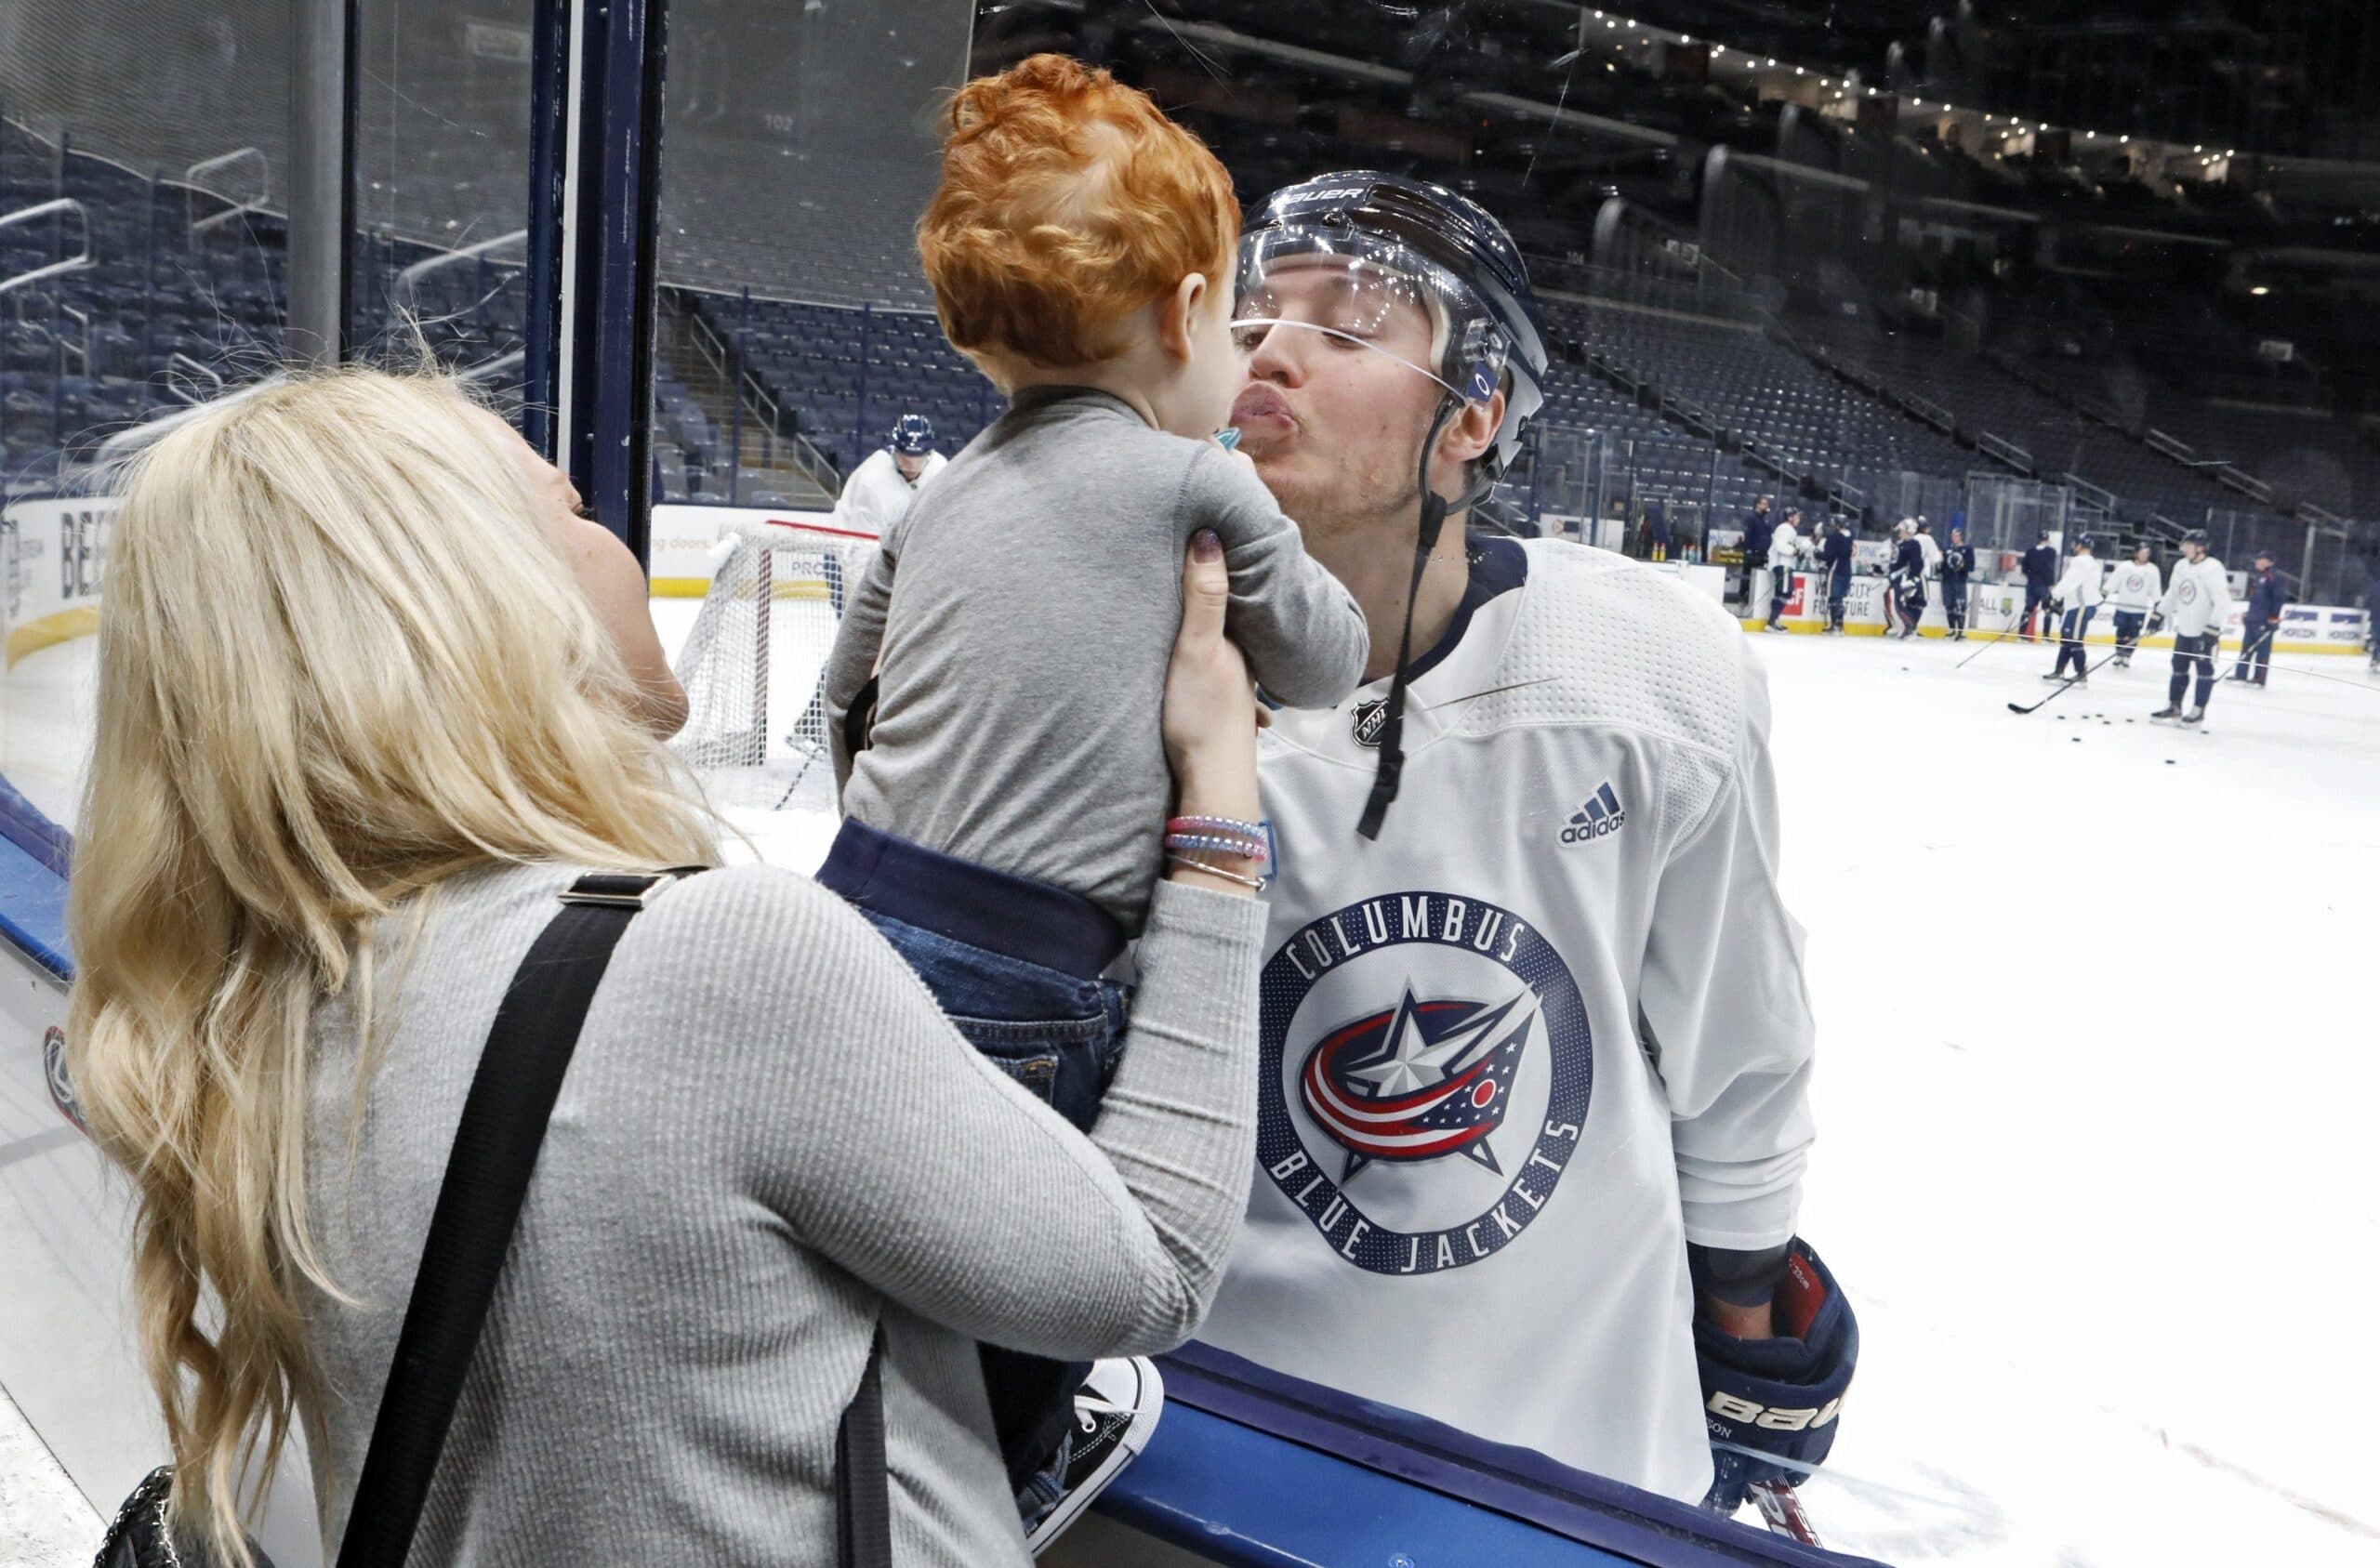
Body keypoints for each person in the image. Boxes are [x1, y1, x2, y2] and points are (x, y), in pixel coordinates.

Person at [60, 366, 1274, 1568]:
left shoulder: (270, 1007)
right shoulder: (707, 961)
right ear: (481, 595)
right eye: (575, 508)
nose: (614, 540)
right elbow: (1152, 1268)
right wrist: (1217, 808)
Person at [1202, 170, 1857, 1518]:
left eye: (1345, 327)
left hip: (1575, 1473)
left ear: (1474, 414)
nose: (1269, 352)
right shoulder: (1114, 662)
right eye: (1250, 322)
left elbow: (1737, 1054)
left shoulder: (1641, 673)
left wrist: (1741, 1304)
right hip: (1199, 1448)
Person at [822, 55, 1368, 1533]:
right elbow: (1325, 658)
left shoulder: (941, 489)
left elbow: (846, 694)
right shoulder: (1198, 483)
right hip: (1030, 968)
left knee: (873, 1220)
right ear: (1188, 313)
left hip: (852, 912)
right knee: (1030, 1268)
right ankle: (1008, 1469)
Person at [2152, 528, 2232, 727]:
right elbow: (2173, 594)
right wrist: (2158, 614)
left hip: (2204, 632)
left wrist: (2213, 627)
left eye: (2188, 545)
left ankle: (2198, 711)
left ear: (2201, 548)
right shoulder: (2181, 566)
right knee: (2178, 667)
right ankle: (2174, 706)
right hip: (2185, 630)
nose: (2183, 548)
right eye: (2183, 544)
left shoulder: (2213, 568)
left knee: (2204, 669)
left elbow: (2222, 601)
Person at [831, 412, 947, 536]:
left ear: (929, 454)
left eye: (918, 462)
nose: (911, 468)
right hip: (848, 537)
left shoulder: (941, 470)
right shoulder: (872, 479)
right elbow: (863, 539)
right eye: (905, 461)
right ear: (895, 452)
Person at [2044, 534, 2103, 683]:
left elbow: (2069, 582)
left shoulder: (2081, 561)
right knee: (2067, 638)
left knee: (2074, 639)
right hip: (2076, 606)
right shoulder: (2091, 562)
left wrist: (2053, 596)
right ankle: (2059, 670)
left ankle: (2080, 673)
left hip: (2080, 607)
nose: (2073, 546)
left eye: (2074, 543)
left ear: (2080, 545)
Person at [2230, 547, 2286, 687]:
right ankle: (2240, 675)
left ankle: (2259, 679)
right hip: (2253, 620)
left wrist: (2273, 618)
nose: (2257, 562)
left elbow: (2278, 599)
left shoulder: (2275, 577)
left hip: (2264, 621)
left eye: (2260, 559)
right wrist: (2249, 614)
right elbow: (2256, 599)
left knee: (2262, 651)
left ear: (2269, 562)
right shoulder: (2258, 577)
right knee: (2246, 648)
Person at [2105, 542, 2162, 668]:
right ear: (2136, 553)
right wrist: (2104, 593)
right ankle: (2119, 654)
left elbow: (2155, 590)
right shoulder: (2124, 566)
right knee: (2120, 633)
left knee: (2133, 634)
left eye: (2147, 553)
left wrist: (2158, 603)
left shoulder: (2152, 570)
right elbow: (2113, 583)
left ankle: (2127, 656)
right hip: (2122, 607)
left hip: (2139, 610)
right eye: (2142, 552)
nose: (2145, 555)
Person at [1886, 517, 1928, 638]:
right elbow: (1895, 563)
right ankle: (1908, 628)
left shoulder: (1914, 545)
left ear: (1908, 531)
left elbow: (1916, 565)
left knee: (1903, 604)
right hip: (1899, 579)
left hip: (1907, 579)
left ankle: (1910, 628)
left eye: (1902, 530)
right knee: (1898, 604)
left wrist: (1912, 579)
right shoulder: (1900, 544)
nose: (1899, 533)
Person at [1764, 506, 1803, 631]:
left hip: (1786, 565)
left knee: (1784, 592)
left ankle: (1774, 620)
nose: (1799, 519)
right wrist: (1794, 551)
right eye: (1797, 517)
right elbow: (1780, 546)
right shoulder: (1784, 529)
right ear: (1790, 518)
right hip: (1782, 564)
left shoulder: (1790, 530)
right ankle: (1772, 622)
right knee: (1785, 592)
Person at [1741, 494, 1775, 621]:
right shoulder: (1751, 518)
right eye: (1764, 504)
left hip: (1763, 553)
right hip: (1752, 553)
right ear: (1757, 504)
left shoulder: (1766, 520)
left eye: (1767, 504)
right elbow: (1748, 535)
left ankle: (1754, 603)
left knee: (1758, 579)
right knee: (1748, 578)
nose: (1766, 506)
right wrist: (1749, 550)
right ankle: (1743, 601)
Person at [1818, 516, 1854, 634]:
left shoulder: (1834, 537)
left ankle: (1835, 626)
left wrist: (1817, 553)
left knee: (1834, 598)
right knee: (1840, 599)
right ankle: (1839, 625)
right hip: (1847, 570)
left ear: (1837, 524)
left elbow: (1828, 556)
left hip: (1835, 569)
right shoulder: (1850, 536)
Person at [2022, 529, 2059, 640]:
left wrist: (2031, 577)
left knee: (2028, 609)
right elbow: (2049, 568)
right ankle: (2045, 636)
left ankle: (2021, 634)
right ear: (2047, 539)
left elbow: (2024, 568)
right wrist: (2051, 583)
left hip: (2031, 584)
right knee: (2048, 609)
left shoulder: (2030, 551)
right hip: (2044, 585)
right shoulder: (2051, 552)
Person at [1939, 524, 1975, 640]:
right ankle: (1952, 629)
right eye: (1953, 536)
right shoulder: (1948, 550)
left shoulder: (1967, 549)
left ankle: (1960, 631)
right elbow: (1943, 566)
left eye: (1956, 536)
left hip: (1960, 581)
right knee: (1949, 605)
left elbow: (1970, 566)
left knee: (1960, 605)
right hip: (1947, 581)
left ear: (1961, 537)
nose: (1954, 538)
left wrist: (1962, 565)